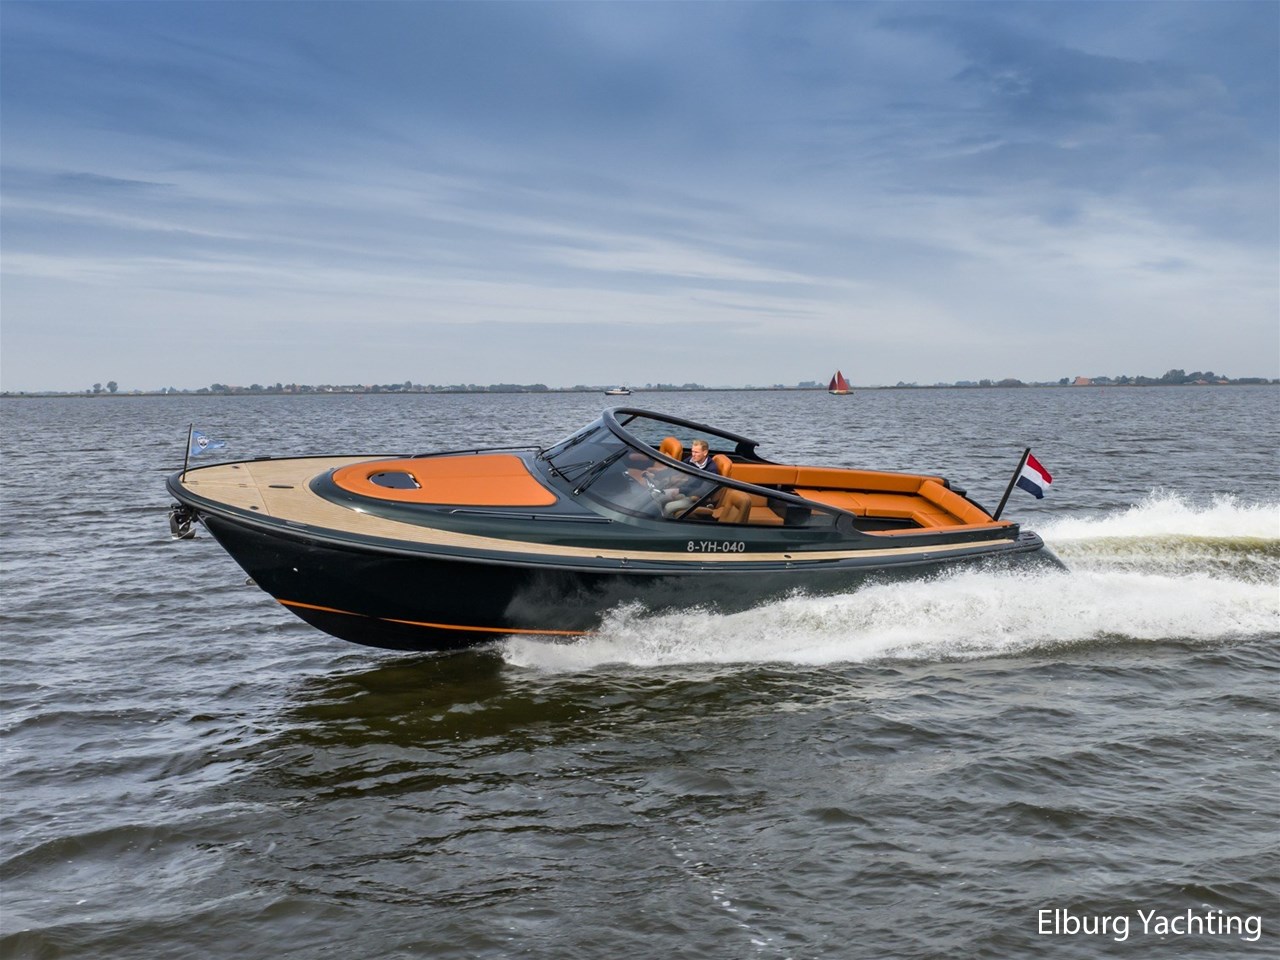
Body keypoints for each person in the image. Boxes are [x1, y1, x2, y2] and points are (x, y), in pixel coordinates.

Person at [659, 439, 720, 516]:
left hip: (696, 499)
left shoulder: (711, 469)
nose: (693, 454)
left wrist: (680, 490)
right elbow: (677, 468)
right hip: (686, 492)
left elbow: (703, 491)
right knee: (658, 496)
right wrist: (658, 475)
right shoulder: (691, 460)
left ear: (705, 453)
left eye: (696, 452)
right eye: (692, 451)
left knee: (669, 507)